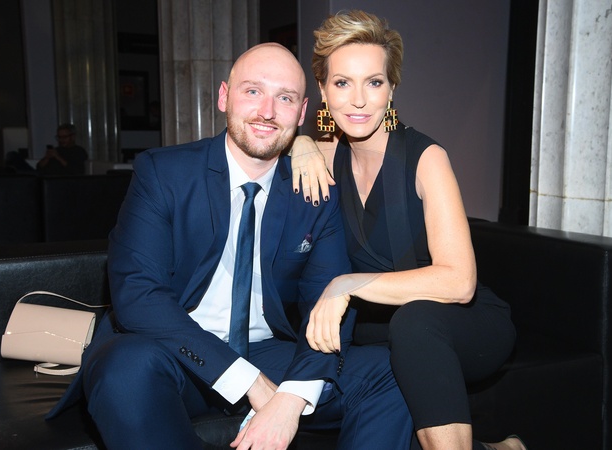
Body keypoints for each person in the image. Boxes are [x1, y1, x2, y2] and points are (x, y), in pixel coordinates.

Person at [46, 42, 414, 450]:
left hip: (267, 351)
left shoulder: (314, 195)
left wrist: (291, 398)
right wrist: (250, 382)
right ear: (224, 97)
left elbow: (324, 308)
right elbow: (138, 294)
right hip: (174, 351)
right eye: (253, 91)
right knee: (125, 369)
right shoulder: (164, 172)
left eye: (285, 98)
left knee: (391, 371)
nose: (267, 111)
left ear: (302, 112)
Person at [290, 10, 524, 450]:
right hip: (382, 330)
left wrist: (346, 284)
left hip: (459, 325)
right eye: (342, 83)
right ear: (322, 90)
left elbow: (459, 282)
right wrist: (300, 144)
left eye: (374, 82)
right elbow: (270, 144)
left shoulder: (425, 158)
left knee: (413, 325)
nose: (359, 100)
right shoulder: (324, 156)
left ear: (392, 89)